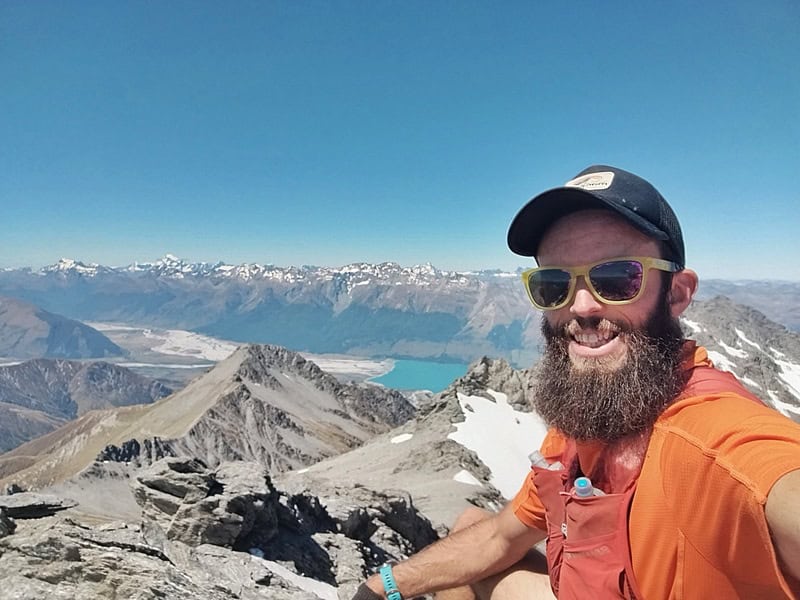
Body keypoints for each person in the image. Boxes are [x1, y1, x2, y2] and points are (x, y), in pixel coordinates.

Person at [352, 165, 800, 600]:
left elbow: (773, 476)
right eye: (553, 284)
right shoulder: (586, 418)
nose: (581, 306)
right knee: (471, 524)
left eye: (618, 278)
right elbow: (498, 539)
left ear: (677, 293)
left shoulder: (713, 441)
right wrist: (381, 587)